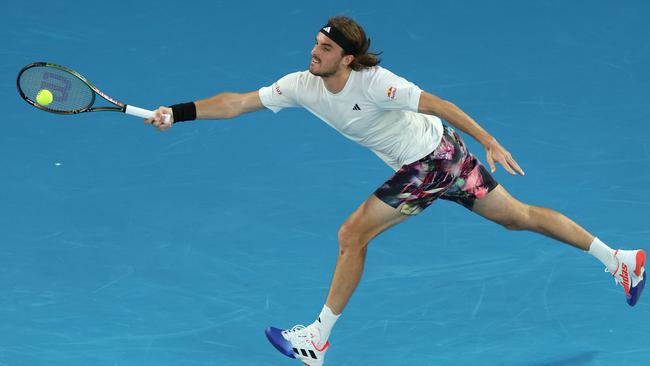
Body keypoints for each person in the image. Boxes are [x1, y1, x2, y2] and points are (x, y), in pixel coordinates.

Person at [145, 16, 646, 366]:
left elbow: (440, 102)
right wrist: (177, 111)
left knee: (352, 234)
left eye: (324, 49)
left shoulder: (376, 82)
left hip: (433, 160)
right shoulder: (301, 84)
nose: (313, 53)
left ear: (347, 58)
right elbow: (237, 102)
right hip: (442, 157)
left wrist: (490, 141)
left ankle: (316, 340)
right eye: (315, 45)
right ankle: (620, 259)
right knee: (519, 217)